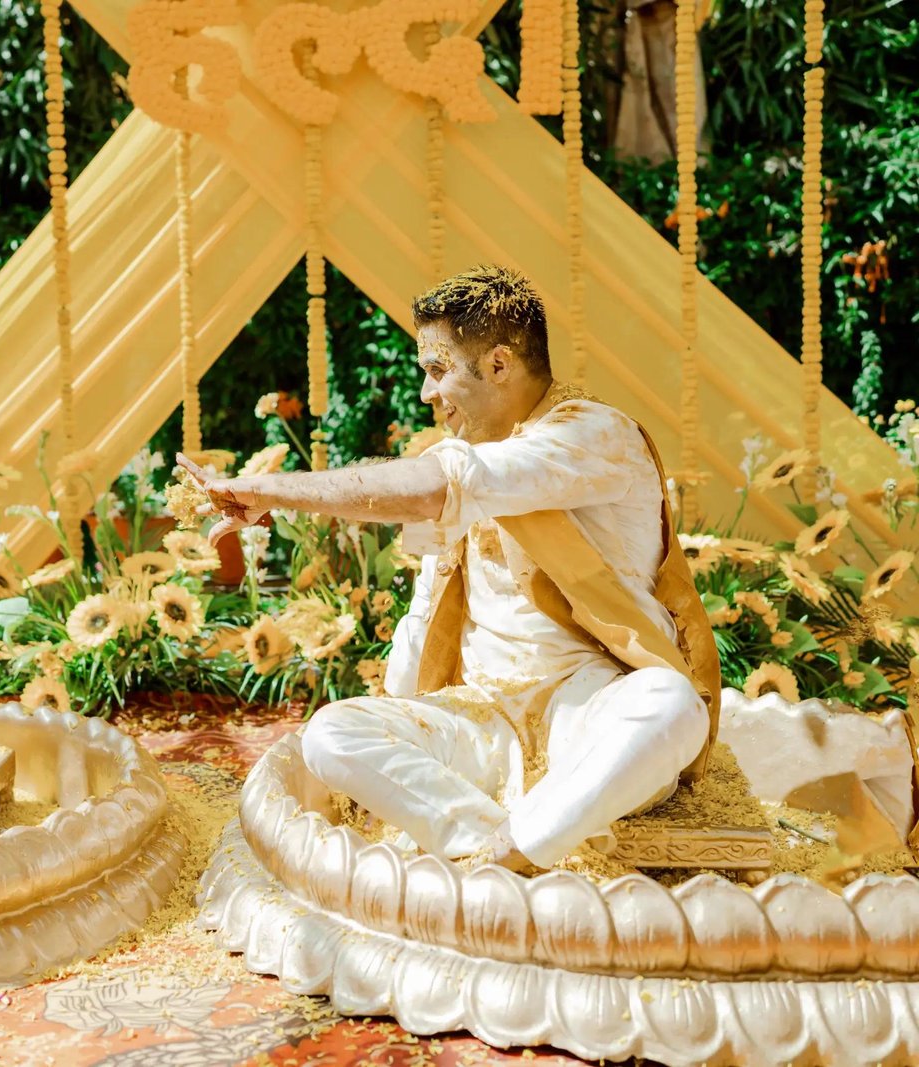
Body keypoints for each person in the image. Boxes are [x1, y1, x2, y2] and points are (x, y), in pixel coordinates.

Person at [179, 265, 720, 874]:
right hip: (482, 722)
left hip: (589, 717)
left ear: (499, 364)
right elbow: (424, 613)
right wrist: (392, 731)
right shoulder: (463, 457)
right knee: (333, 734)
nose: (425, 394)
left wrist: (270, 491)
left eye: (438, 371)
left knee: (670, 703)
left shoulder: (594, 434)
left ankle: (518, 847)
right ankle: (495, 844)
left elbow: (442, 487)